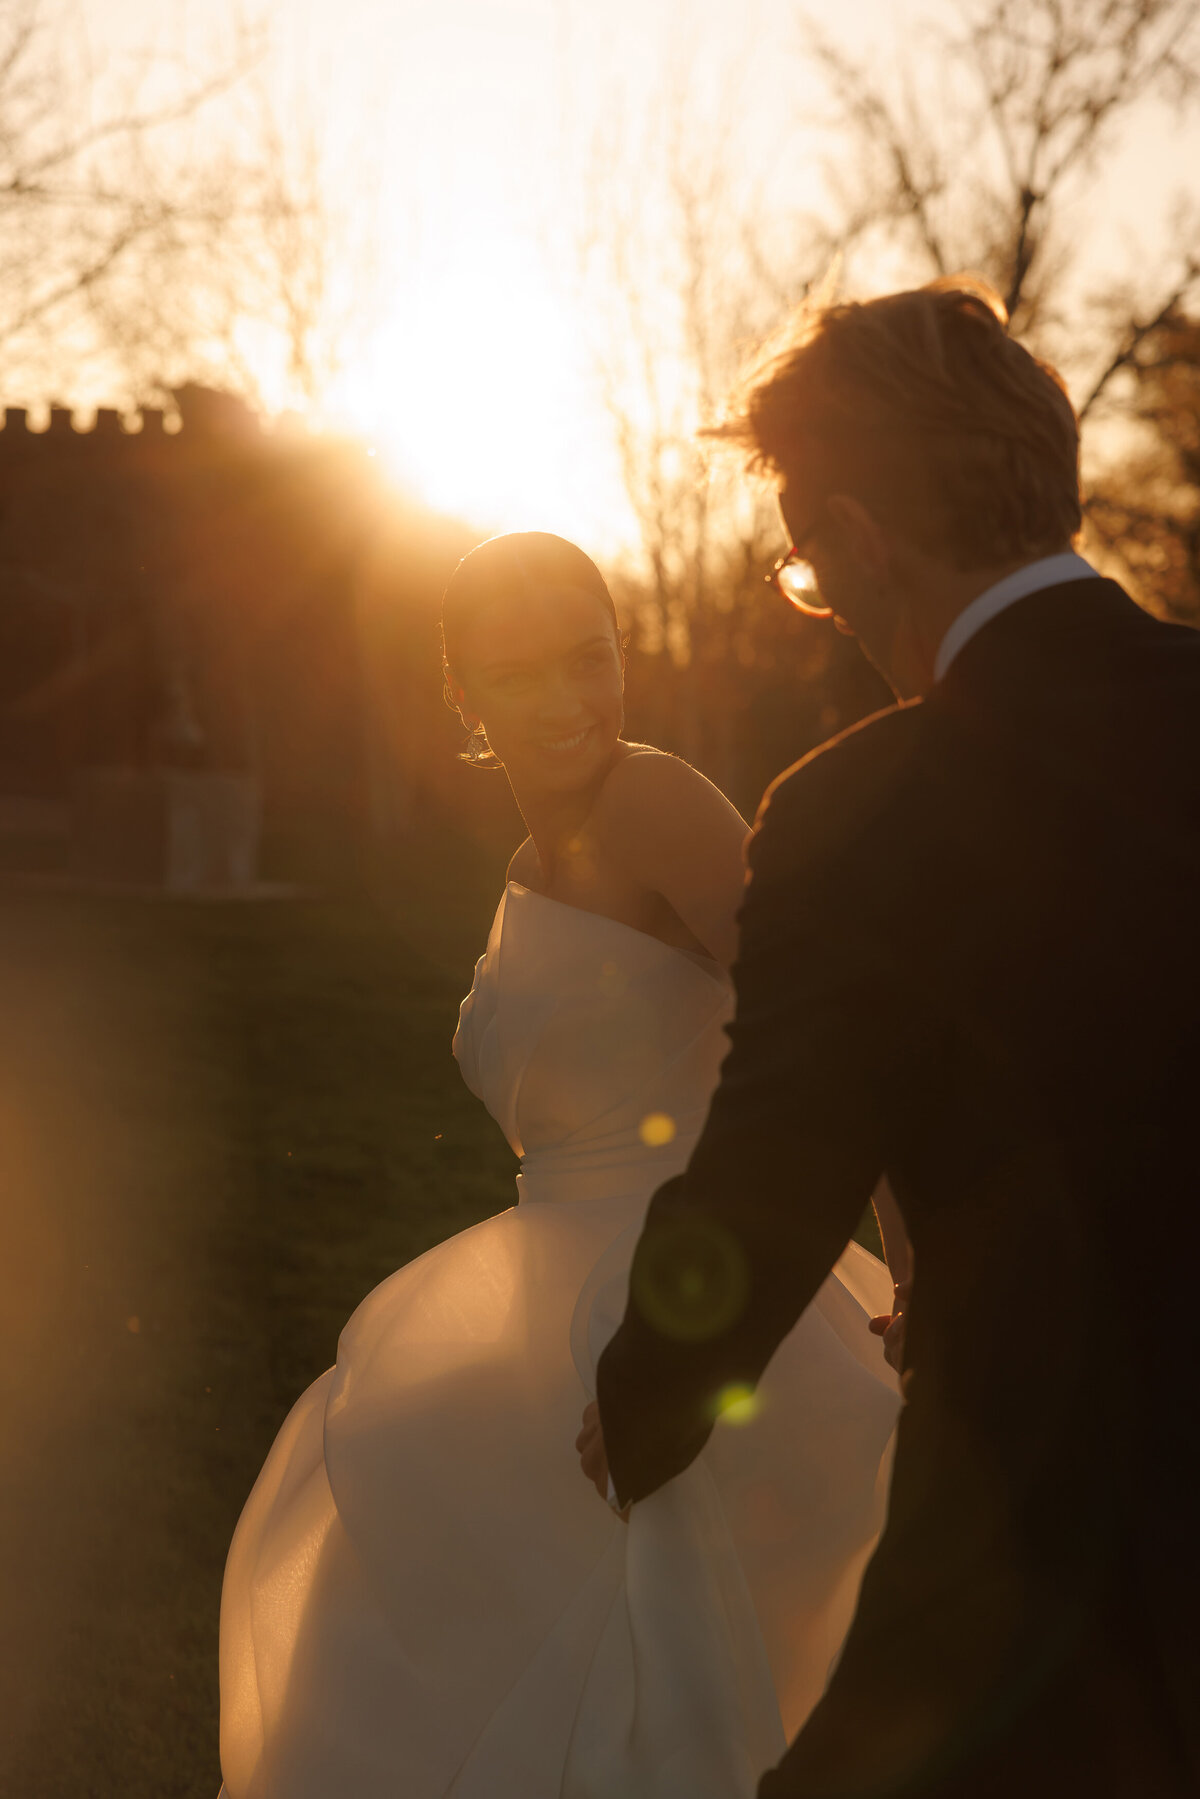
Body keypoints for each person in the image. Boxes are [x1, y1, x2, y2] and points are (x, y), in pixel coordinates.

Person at [585, 280, 1200, 1797]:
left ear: (857, 538)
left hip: (1053, 1545)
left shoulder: (861, 812)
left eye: (805, 562)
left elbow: (774, 1178)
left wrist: (640, 1393)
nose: (823, 596)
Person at [217, 531, 902, 1799]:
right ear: (463, 692)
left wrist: (916, 1260)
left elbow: (832, 1036)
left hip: (687, 1287)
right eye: (519, 672)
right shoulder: (533, 861)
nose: (567, 701)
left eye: (589, 660)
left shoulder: (652, 801)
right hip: (550, 1304)